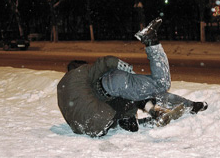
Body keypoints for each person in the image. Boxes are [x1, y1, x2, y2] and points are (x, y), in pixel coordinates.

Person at [57, 18, 208, 137]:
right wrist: (129, 118)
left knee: (158, 85)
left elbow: (104, 63)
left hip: (114, 85)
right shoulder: (85, 87)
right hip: (114, 86)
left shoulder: (77, 85)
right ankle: (175, 107)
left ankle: (151, 41)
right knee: (157, 87)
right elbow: (107, 68)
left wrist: (119, 66)